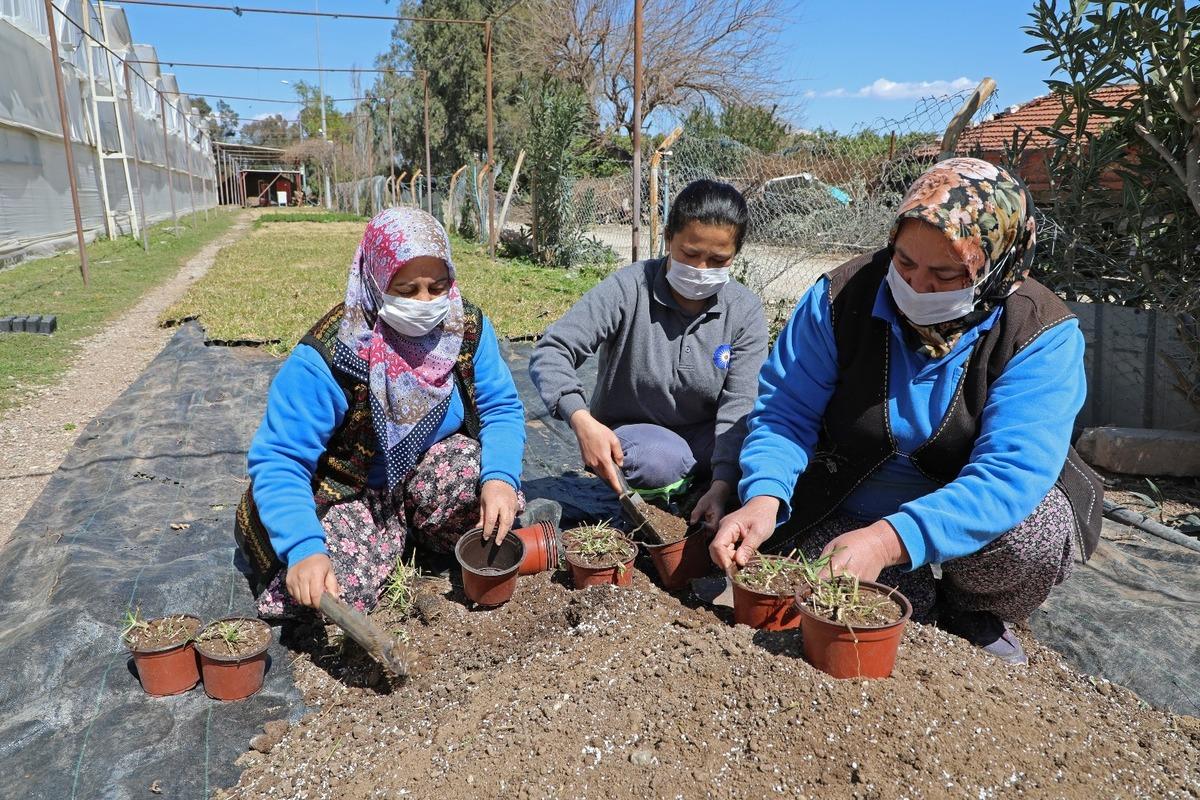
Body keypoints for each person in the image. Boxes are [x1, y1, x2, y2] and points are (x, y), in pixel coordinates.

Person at [710, 158, 1102, 664]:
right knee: (857, 598)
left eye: (946, 274)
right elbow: (785, 412)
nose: (917, 287)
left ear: (997, 267)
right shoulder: (840, 297)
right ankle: (918, 593)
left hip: (968, 518)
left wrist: (889, 539)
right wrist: (764, 497)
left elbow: (1009, 474)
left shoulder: (1038, 333)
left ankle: (972, 608)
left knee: (1034, 537)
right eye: (904, 263)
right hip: (848, 497)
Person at [235, 207, 526, 617]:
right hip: (347, 491)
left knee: (491, 502)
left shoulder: (465, 328)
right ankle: (379, 537)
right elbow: (281, 459)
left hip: (423, 473)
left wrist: (501, 479)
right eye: (406, 290)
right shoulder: (332, 356)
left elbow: (501, 408)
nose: (425, 302)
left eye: (437, 286)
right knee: (334, 591)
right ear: (374, 281)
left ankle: (407, 530)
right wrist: (303, 547)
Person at [529, 179, 768, 529]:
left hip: (707, 440)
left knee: (764, 446)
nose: (701, 269)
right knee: (662, 460)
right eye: (689, 254)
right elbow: (553, 349)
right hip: (638, 440)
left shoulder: (743, 310)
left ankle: (706, 487)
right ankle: (680, 487)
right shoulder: (630, 288)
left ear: (735, 255)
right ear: (669, 237)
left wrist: (722, 484)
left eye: (718, 260)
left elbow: (740, 405)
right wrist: (581, 420)